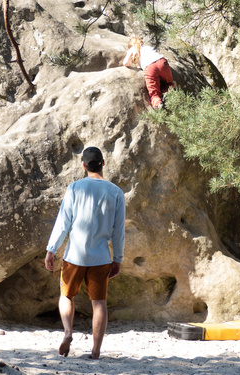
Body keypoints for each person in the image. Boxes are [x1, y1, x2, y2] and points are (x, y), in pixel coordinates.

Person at [44, 146, 125, 359]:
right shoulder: (116, 192)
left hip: (74, 256)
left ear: (83, 166)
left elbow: (63, 222)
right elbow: (118, 231)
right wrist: (117, 258)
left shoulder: (74, 188)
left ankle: (69, 332)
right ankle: (96, 351)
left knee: (66, 295)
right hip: (101, 257)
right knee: (99, 303)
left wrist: (51, 249)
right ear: (103, 163)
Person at [123, 36, 174, 109]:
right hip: (162, 62)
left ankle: (158, 105)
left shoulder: (132, 49)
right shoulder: (147, 47)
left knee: (154, 92)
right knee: (169, 83)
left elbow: (125, 63)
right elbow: (153, 58)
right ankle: (168, 93)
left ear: (131, 45)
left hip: (150, 67)